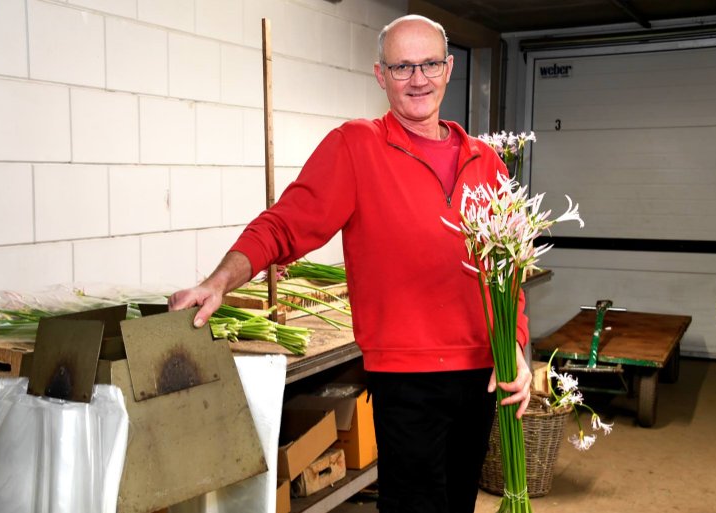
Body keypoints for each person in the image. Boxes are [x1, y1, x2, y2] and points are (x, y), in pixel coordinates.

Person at [169, 14, 532, 513]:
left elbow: (508, 270)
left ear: (448, 69)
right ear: (380, 76)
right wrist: (219, 281)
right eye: (402, 67)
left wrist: (515, 347)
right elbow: (283, 224)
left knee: (459, 502)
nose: (418, 78)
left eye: (428, 64)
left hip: (481, 373)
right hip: (407, 378)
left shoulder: (485, 161)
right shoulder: (357, 147)